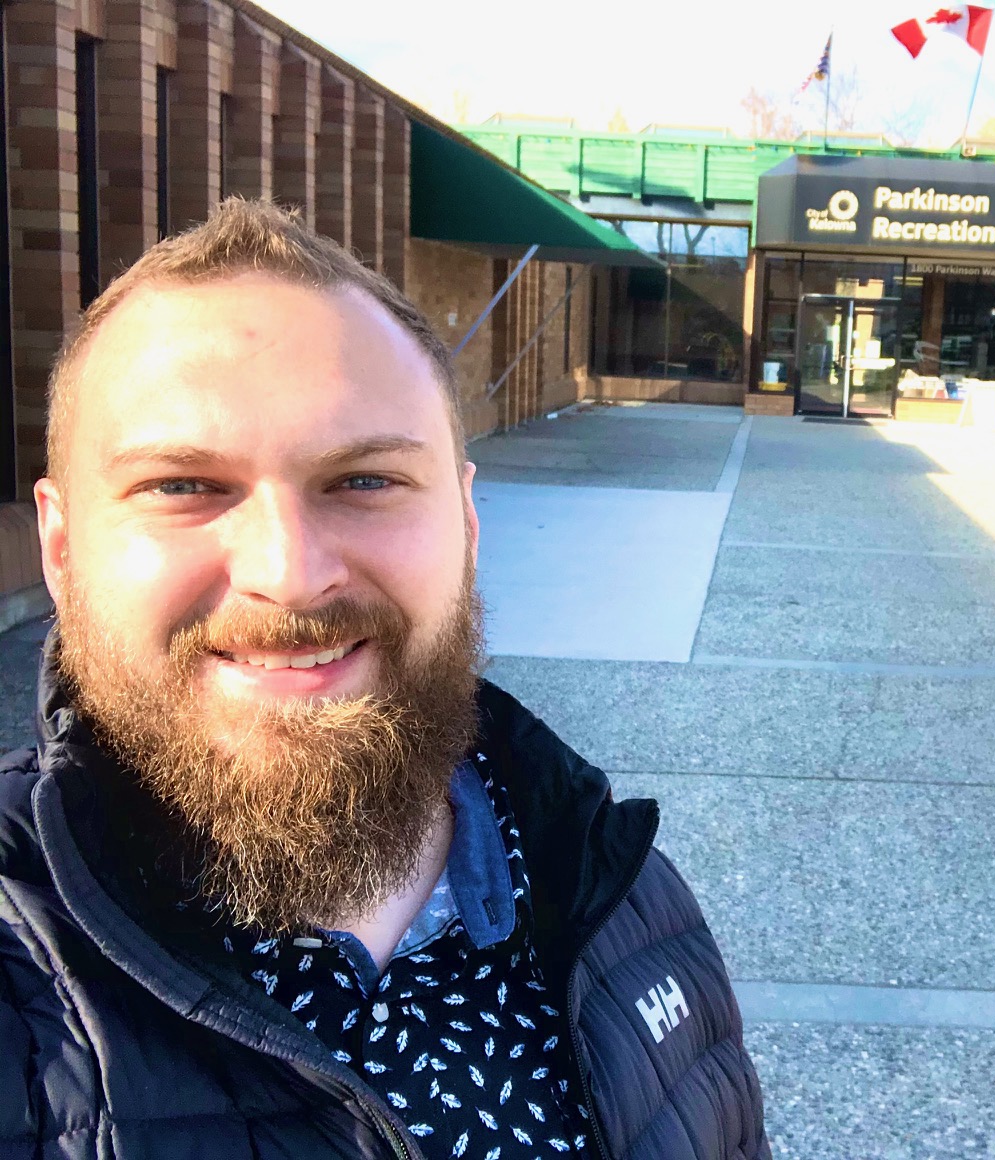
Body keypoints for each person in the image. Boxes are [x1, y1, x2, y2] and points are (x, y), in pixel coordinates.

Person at [0, 199, 771, 1160]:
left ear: (468, 524)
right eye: (182, 487)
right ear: (63, 549)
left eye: (363, 480)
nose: (288, 571)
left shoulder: (625, 899)